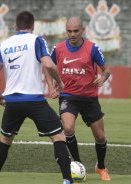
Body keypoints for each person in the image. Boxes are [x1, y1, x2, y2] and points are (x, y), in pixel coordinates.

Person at [0, 11, 74, 184]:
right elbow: (49, 64)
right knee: (58, 137)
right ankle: (67, 180)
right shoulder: (36, 40)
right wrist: (59, 82)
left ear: (15, 26)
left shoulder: (4, 44)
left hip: (12, 101)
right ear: (33, 26)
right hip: (34, 100)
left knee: (5, 140)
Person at [47, 17, 111, 181]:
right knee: (67, 128)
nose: (72, 34)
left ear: (82, 30)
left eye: (76, 31)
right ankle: (78, 165)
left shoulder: (92, 48)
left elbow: (106, 70)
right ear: (66, 30)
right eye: (69, 31)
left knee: (100, 137)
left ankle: (101, 167)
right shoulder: (59, 48)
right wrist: (51, 86)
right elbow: (47, 66)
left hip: (89, 98)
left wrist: (103, 78)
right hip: (68, 96)